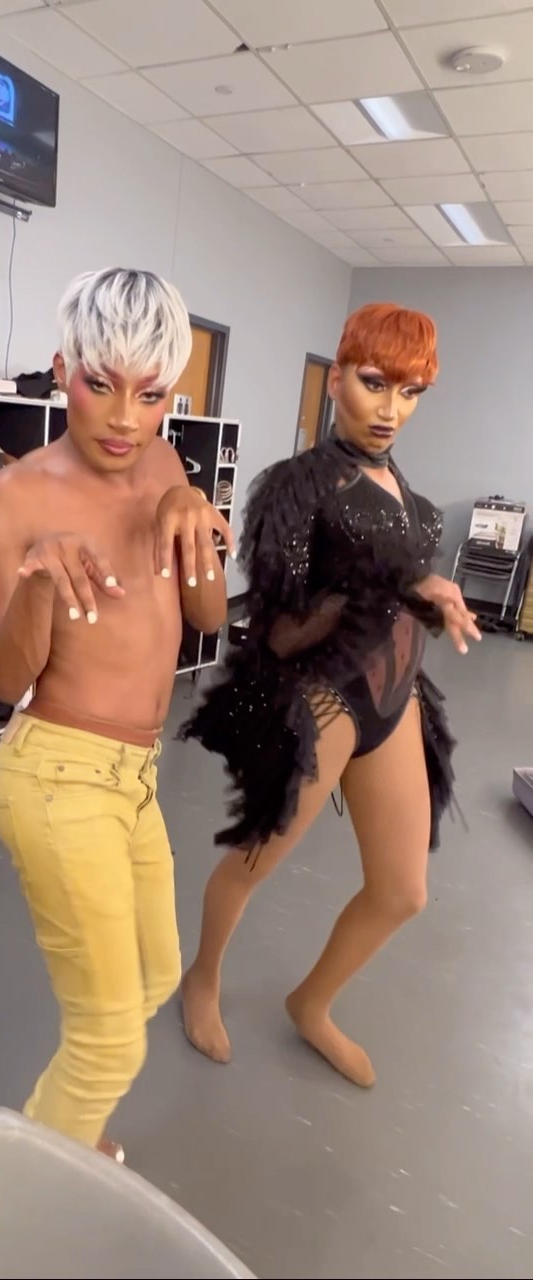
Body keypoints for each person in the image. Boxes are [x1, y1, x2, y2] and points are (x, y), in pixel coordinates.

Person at [179, 302, 481, 1089]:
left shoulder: (398, 484)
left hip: (397, 701)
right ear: (337, 377)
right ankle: (202, 977)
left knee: (403, 891)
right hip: (325, 700)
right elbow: (279, 631)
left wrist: (432, 601)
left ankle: (312, 1003)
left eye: (410, 392)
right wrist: (401, 585)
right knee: (253, 861)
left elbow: (399, 592)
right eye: (375, 383)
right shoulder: (298, 487)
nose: (391, 409)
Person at [0, 268, 233, 1161]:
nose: (124, 419)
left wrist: (191, 515)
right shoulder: (13, 496)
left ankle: (70, 1136)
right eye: (100, 385)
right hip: (54, 774)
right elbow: (3, 679)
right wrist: (39, 584)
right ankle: (21, 1207)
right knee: (111, 1038)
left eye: (150, 395)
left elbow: (207, 616)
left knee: (155, 976)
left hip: (136, 777)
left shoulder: (163, 464)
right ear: (62, 371)